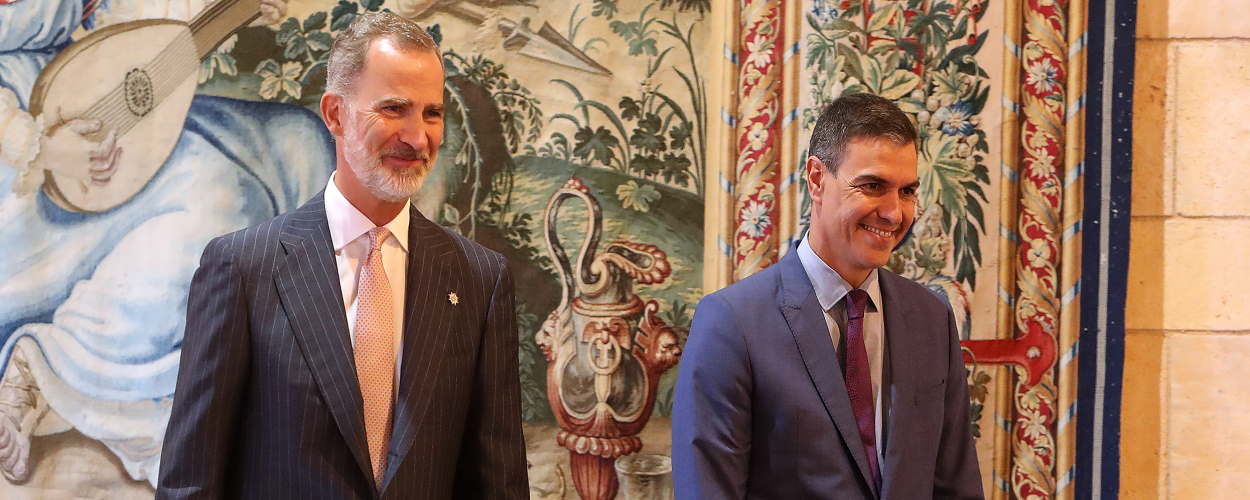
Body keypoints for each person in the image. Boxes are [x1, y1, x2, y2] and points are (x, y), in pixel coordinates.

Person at [156, 12, 527, 499]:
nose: (418, 138)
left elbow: (498, 482)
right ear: (334, 114)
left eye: (432, 113)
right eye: (394, 109)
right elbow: (191, 482)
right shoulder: (243, 268)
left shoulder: (479, 279)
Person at [0, 0, 322, 486]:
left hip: (90, 94)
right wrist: (34, 143)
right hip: (18, 162)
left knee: (269, 162)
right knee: (212, 205)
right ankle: (40, 374)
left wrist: (225, 11)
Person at [672, 93, 983, 499]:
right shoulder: (731, 322)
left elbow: (955, 485)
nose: (894, 213)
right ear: (817, 179)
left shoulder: (930, 318)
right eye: (873, 186)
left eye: (907, 191)